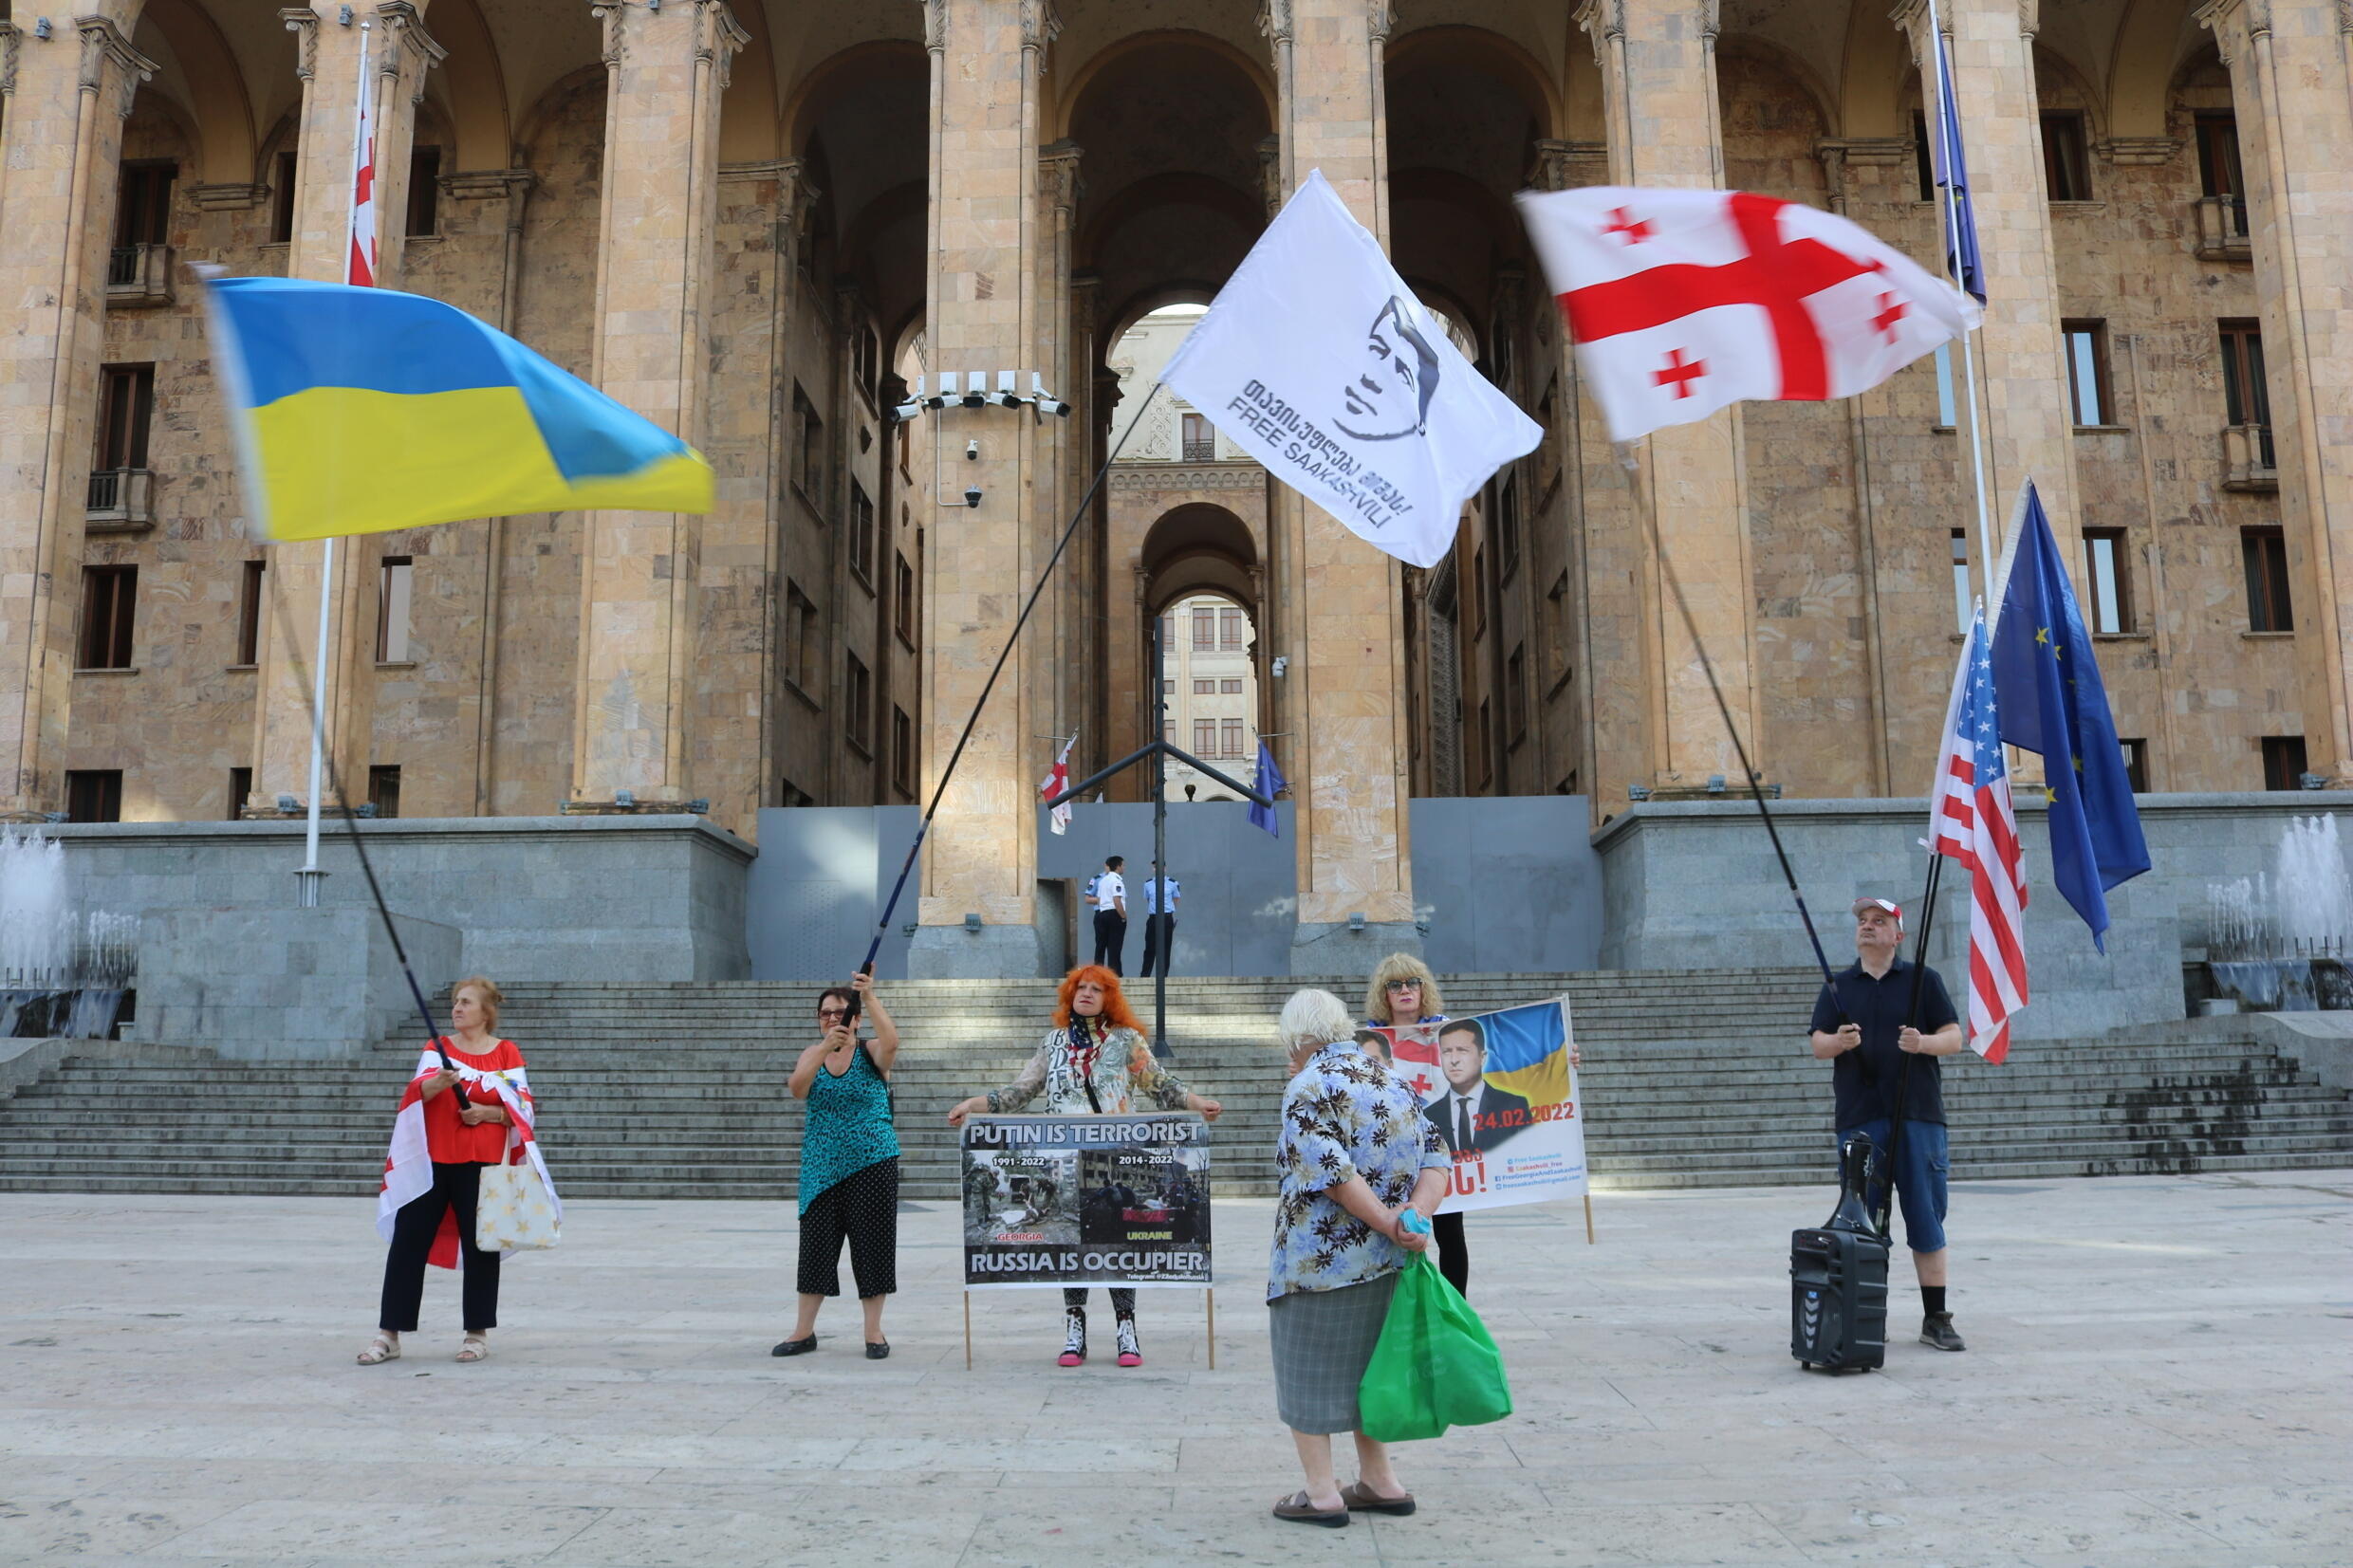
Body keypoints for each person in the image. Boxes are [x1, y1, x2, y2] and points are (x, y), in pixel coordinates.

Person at [946, 965, 1222, 1367]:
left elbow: (1160, 1085)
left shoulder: (1128, 1041)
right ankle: (1075, 1327)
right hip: (1067, 1159)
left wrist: (1197, 1103)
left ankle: (1126, 1328)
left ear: (1109, 998)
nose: (1087, 993)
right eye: (1081, 987)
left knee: (1118, 1242)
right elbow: (1020, 1091)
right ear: (1069, 994)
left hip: (1113, 1158)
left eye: (1097, 989)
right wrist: (973, 1105)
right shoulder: (1054, 1043)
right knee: (1070, 1247)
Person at [1266, 987, 1453, 1527]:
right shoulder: (1392, 1080)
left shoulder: (1308, 1084)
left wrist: (1386, 1221)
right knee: (1370, 1371)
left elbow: (1331, 1172)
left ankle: (1322, 1493)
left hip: (1318, 1263)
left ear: (1299, 1036)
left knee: (1306, 1372)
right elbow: (1439, 1154)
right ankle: (1380, 1481)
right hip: (1390, 1262)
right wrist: (1410, 1220)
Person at [360, 977, 549, 1367]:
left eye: (466, 1003)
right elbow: (416, 1093)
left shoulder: (506, 1053)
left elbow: (524, 1109)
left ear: (485, 1012)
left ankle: (477, 1333)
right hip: (432, 1164)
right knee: (407, 1245)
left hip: (482, 1165)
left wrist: (487, 1114)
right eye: (455, 1003)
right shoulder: (438, 1049)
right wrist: (436, 1084)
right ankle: (389, 1334)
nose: (457, 1009)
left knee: (481, 1248)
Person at [1808, 896, 1967, 1352]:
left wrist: (1924, 1043)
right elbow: (1818, 1044)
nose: (1868, 927)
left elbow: (1954, 1039)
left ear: (1898, 935)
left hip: (1918, 1115)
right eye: (1862, 920)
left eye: (1880, 921)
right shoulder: (1839, 987)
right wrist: (1838, 1041)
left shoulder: (1923, 982)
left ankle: (1935, 1317)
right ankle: (1865, 1314)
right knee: (1862, 1223)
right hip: (1860, 1119)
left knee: (1926, 1218)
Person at [775, 972, 900, 1360]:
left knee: (872, 1247)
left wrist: (870, 996)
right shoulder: (811, 1054)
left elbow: (893, 1043)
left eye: (841, 1013)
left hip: (872, 1161)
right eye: (825, 1013)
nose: (832, 1019)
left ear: (857, 1018)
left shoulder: (871, 1051)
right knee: (815, 1248)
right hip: (821, 1167)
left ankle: (873, 1332)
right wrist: (823, 1048)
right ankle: (803, 1331)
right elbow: (798, 1088)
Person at [1362, 953, 1471, 1296]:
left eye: (1413, 982)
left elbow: (1497, 1062)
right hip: (1390, 1154)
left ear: (1424, 989)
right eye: (1395, 984)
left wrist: (1563, 1057)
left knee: (1450, 1234)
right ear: (1384, 993)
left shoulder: (1448, 1031)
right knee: (1393, 1235)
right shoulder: (1367, 1039)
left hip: (1440, 1149)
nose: (1405, 990)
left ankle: (1457, 1313)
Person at [1426, 1017, 1532, 1154]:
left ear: (1482, 1057)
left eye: (1462, 1050)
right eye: (1447, 1052)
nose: (1454, 1060)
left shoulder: (1513, 1105)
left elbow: (1531, 1151)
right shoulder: (1429, 1116)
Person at [1087, 855, 1128, 974]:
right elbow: (1117, 900)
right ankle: (1114, 974)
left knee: (1100, 946)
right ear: (1118, 866)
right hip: (1114, 915)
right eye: (1123, 865)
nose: (1124, 868)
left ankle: (1097, 973)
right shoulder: (1116, 881)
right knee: (1114, 947)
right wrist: (1123, 916)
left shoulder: (1102, 881)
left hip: (1101, 914)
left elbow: (1099, 899)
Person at [1139, 860, 1180, 977]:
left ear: (1165, 868)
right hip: (1153, 918)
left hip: (1166, 918)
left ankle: (1163, 975)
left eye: (1159, 867)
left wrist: (1169, 910)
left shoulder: (1173, 883)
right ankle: (1145, 975)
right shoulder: (1148, 884)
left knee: (1166, 948)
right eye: (1155, 867)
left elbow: (1176, 899)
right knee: (1149, 948)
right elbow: (1148, 900)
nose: (1157, 869)